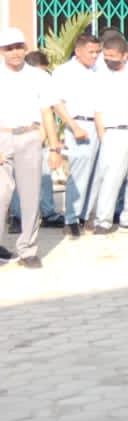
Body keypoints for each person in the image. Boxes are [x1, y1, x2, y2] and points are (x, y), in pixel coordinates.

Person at [0, 27, 62, 269]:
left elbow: (48, 112)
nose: (15, 52)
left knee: (30, 197)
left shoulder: (39, 77)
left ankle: (28, 250)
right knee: (2, 196)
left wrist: (55, 148)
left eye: (18, 47)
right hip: (3, 137)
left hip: (30, 137)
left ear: (25, 48)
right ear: (1, 52)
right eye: (9, 48)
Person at [89, 31, 128, 234]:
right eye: (106, 57)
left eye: (113, 56)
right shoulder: (101, 75)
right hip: (114, 132)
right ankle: (103, 221)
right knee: (111, 178)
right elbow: (98, 110)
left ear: (124, 55)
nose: (109, 60)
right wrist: (103, 134)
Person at [51, 30, 104, 237]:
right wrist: (73, 127)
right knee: (79, 174)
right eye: (91, 52)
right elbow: (57, 103)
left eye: (97, 52)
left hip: (98, 124)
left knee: (97, 173)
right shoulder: (64, 72)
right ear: (78, 51)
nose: (94, 56)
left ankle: (86, 214)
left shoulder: (98, 71)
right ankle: (71, 218)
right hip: (79, 125)